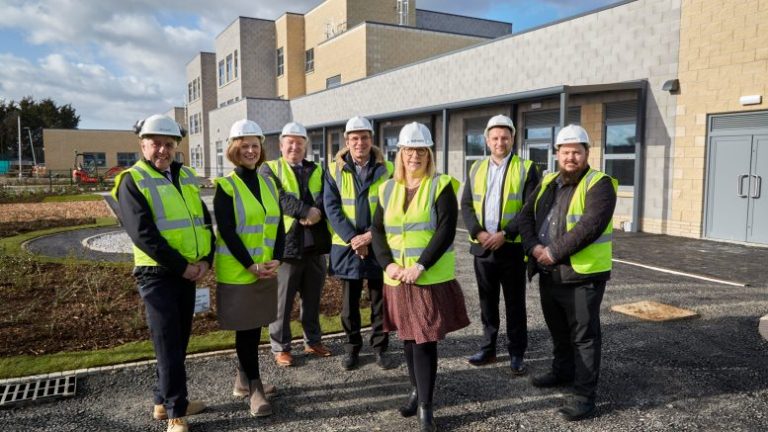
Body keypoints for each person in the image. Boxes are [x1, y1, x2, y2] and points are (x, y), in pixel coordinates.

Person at [112, 114, 214, 432]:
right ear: (143, 145)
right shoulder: (132, 180)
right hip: (157, 274)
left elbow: (203, 220)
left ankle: (163, 402)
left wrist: (207, 260)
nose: (162, 150)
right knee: (168, 341)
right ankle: (175, 414)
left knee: (178, 339)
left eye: (168, 144)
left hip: (187, 273)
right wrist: (184, 267)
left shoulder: (185, 176)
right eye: (156, 143)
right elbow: (144, 235)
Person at [371, 122, 470, 432]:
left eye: (420, 150)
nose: (414, 155)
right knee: (409, 339)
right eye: (409, 149)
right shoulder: (387, 187)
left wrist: (420, 266)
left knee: (424, 341)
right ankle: (415, 390)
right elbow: (377, 230)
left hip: (426, 278)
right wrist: (387, 265)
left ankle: (426, 406)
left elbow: (445, 231)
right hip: (397, 278)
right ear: (400, 153)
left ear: (429, 154)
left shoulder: (441, 185)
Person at [519, 124, 617, 421]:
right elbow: (525, 215)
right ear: (557, 154)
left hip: (582, 276)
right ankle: (562, 371)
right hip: (549, 272)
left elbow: (589, 226)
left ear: (587, 153)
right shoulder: (548, 180)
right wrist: (534, 247)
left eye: (577, 151)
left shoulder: (599, 184)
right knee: (558, 329)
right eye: (565, 151)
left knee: (584, 337)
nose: (571, 157)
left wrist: (551, 252)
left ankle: (585, 397)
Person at [213, 119, 284, 416]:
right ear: (234, 149)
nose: (251, 151)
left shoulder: (269, 182)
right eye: (245, 146)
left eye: (255, 145)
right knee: (247, 332)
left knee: (254, 328)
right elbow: (227, 231)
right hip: (240, 272)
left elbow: (278, 224)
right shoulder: (226, 186)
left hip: (265, 269)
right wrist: (250, 265)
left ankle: (243, 381)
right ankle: (255, 388)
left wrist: (277, 257)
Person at [462, 115, 540, 374]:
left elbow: (530, 209)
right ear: (487, 140)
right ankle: (488, 348)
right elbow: (466, 205)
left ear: (513, 139)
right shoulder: (475, 169)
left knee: (515, 303)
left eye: (504, 137)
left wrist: (504, 233)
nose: (500, 142)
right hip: (483, 247)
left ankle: (516, 353)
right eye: (494, 138)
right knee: (487, 302)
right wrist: (478, 232)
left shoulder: (527, 168)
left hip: (512, 248)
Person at [324, 116, 395, 371]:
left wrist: (369, 237)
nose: (359, 142)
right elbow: (331, 208)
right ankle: (352, 349)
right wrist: (354, 238)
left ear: (371, 140)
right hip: (347, 247)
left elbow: (392, 207)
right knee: (348, 306)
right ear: (347, 141)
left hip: (378, 246)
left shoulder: (387, 169)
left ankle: (380, 349)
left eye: (364, 137)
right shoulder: (334, 170)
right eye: (354, 138)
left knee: (380, 303)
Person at [260, 121, 332, 367]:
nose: (294, 147)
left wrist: (317, 212)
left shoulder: (318, 169)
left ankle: (313, 341)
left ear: (305, 146)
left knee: (312, 300)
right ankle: (281, 347)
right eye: (289, 142)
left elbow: (327, 195)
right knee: (282, 302)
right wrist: (305, 211)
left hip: (315, 247)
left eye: (299, 143)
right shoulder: (269, 169)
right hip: (287, 248)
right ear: (281, 145)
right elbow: (278, 198)